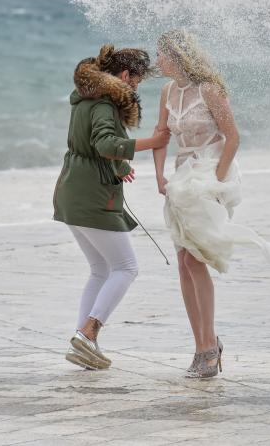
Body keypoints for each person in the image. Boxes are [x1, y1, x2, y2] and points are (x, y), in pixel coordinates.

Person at [152, 30, 270, 379]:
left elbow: (232, 137)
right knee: (182, 262)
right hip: (180, 180)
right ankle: (201, 344)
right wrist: (159, 176)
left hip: (210, 176)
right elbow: (161, 136)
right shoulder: (167, 92)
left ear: (177, 56)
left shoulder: (210, 90)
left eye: (161, 54)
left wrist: (217, 182)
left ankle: (209, 346)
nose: (157, 60)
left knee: (196, 257)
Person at [53, 45, 170, 370]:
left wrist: (119, 168)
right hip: (91, 195)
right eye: (136, 80)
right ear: (124, 76)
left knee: (100, 270)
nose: (136, 87)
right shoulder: (104, 104)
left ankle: (83, 341)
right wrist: (152, 143)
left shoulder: (85, 99)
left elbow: (88, 143)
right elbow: (105, 144)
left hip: (71, 191)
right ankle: (89, 331)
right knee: (126, 268)